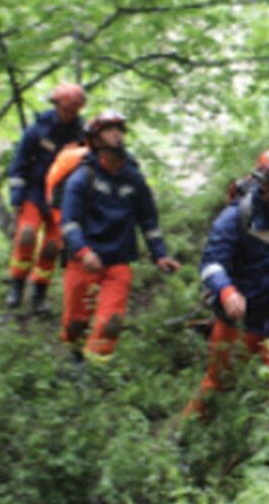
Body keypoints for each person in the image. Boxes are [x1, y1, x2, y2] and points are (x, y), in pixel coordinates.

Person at [183, 147, 269, 442]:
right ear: (268, 186)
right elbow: (211, 263)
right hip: (239, 323)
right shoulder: (236, 218)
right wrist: (227, 291)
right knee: (219, 383)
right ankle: (188, 436)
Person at [59, 110, 181, 363]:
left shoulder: (133, 178)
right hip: (84, 261)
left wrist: (160, 255)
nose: (116, 135)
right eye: (108, 130)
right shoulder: (82, 178)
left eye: (119, 129)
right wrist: (83, 252)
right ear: (96, 139)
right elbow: (69, 223)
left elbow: (149, 220)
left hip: (118, 261)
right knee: (76, 322)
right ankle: (74, 360)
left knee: (111, 321)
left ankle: (96, 372)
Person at [4, 83, 87, 314]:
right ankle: (16, 285)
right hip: (34, 191)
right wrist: (17, 195)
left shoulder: (82, 135)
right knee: (27, 235)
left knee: (51, 246)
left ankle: (39, 294)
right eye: (66, 108)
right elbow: (19, 163)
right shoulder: (38, 130)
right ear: (57, 105)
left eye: (74, 109)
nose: (69, 113)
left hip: (62, 196)